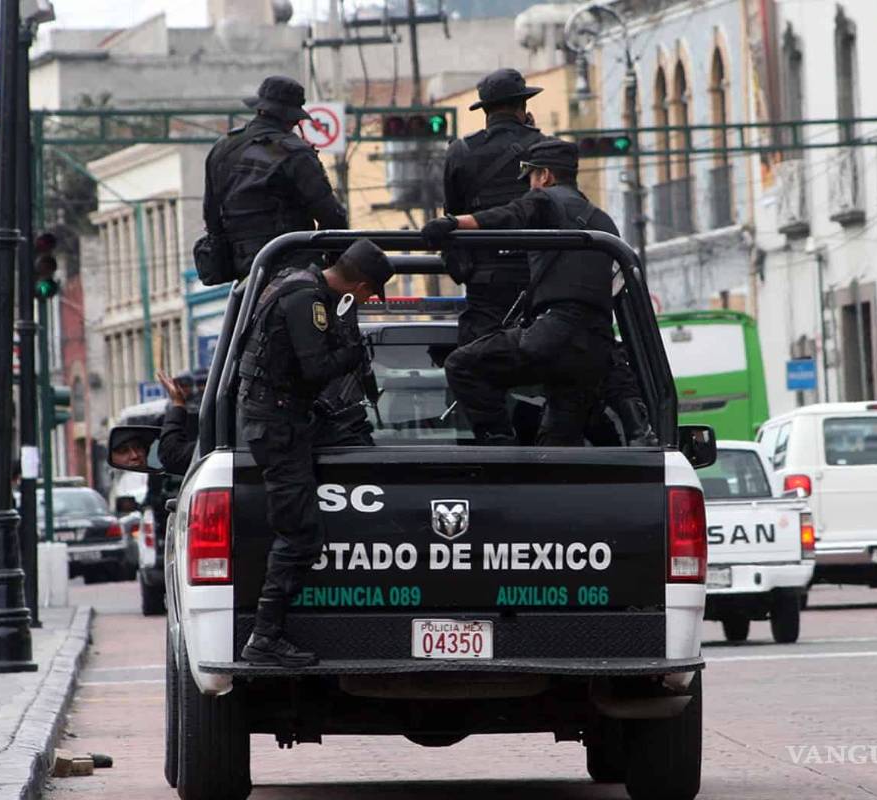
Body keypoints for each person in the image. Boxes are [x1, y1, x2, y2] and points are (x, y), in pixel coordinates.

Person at [237, 238, 394, 667]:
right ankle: (264, 637)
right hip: (279, 428)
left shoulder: (295, 282)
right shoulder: (308, 299)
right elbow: (315, 368)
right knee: (299, 534)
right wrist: (353, 353)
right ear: (360, 287)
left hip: (283, 420)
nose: (366, 301)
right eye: (369, 295)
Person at [422, 139, 617, 446]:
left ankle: (499, 447)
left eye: (531, 178)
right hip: (593, 351)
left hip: (552, 335)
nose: (529, 186)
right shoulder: (603, 222)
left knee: (462, 365)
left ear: (545, 176)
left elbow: (509, 215)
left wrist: (453, 222)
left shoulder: (544, 199)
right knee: (556, 446)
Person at [201, 75, 348, 284]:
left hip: (244, 269)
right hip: (293, 265)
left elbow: (211, 215)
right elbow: (331, 216)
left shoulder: (222, 147)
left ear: (259, 108)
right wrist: (337, 262)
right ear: (294, 118)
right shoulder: (296, 152)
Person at [442, 68, 548, 347]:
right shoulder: (544, 148)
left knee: (482, 354)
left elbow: (452, 216)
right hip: (538, 275)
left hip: (485, 279)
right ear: (522, 105)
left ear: (485, 110)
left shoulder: (460, 152)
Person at [157, 369, 200, 475]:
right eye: (181, 385)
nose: (184, 389)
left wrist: (178, 404)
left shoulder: (203, 406)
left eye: (187, 385)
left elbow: (172, 456)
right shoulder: (169, 409)